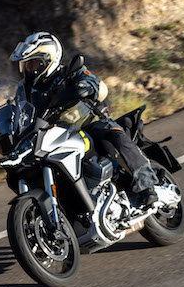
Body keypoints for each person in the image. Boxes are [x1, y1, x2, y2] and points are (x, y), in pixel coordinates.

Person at [10, 31, 161, 202]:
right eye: (26, 65)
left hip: (90, 124)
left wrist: (84, 88)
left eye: (33, 64)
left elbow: (98, 86)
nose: (28, 69)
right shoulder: (25, 89)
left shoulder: (69, 73)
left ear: (48, 60)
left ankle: (147, 186)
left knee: (116, 137)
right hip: (54, 137)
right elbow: (19, 112)